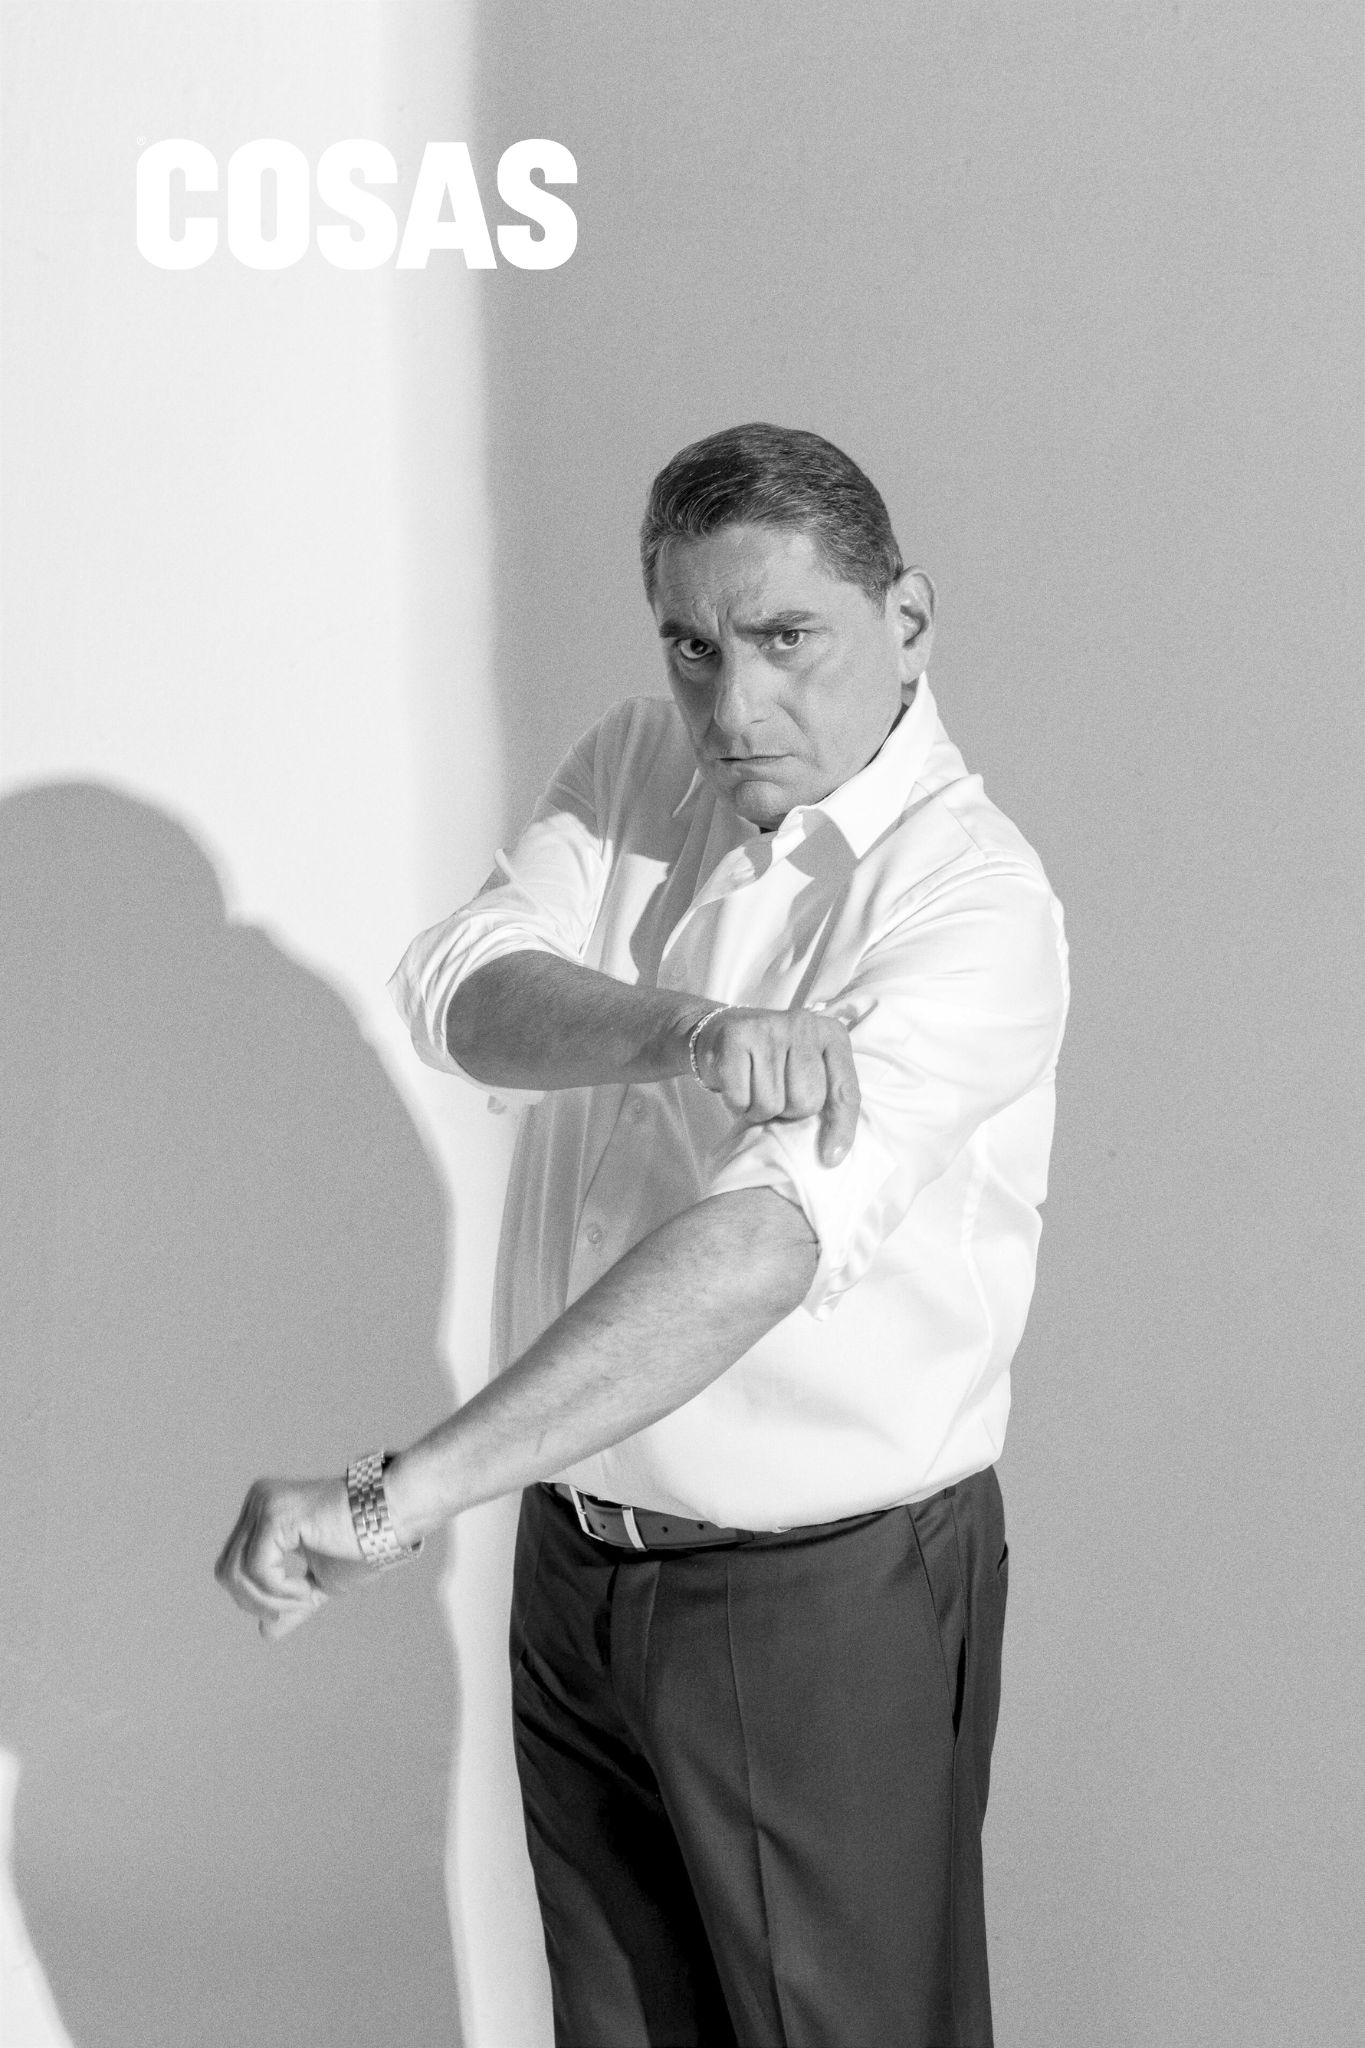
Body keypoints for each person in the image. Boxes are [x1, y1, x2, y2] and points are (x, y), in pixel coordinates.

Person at [216, 422, 1070, 2048]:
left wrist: (399, 1499)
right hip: (578, 1574)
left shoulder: (969, 907)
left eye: (784, 637)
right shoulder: (633, 767)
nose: (731, 705)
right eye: (692, 646)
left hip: (819, 1601)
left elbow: (759, 1249)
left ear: (906, 621)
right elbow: (463, 993)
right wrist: (693, 1029)